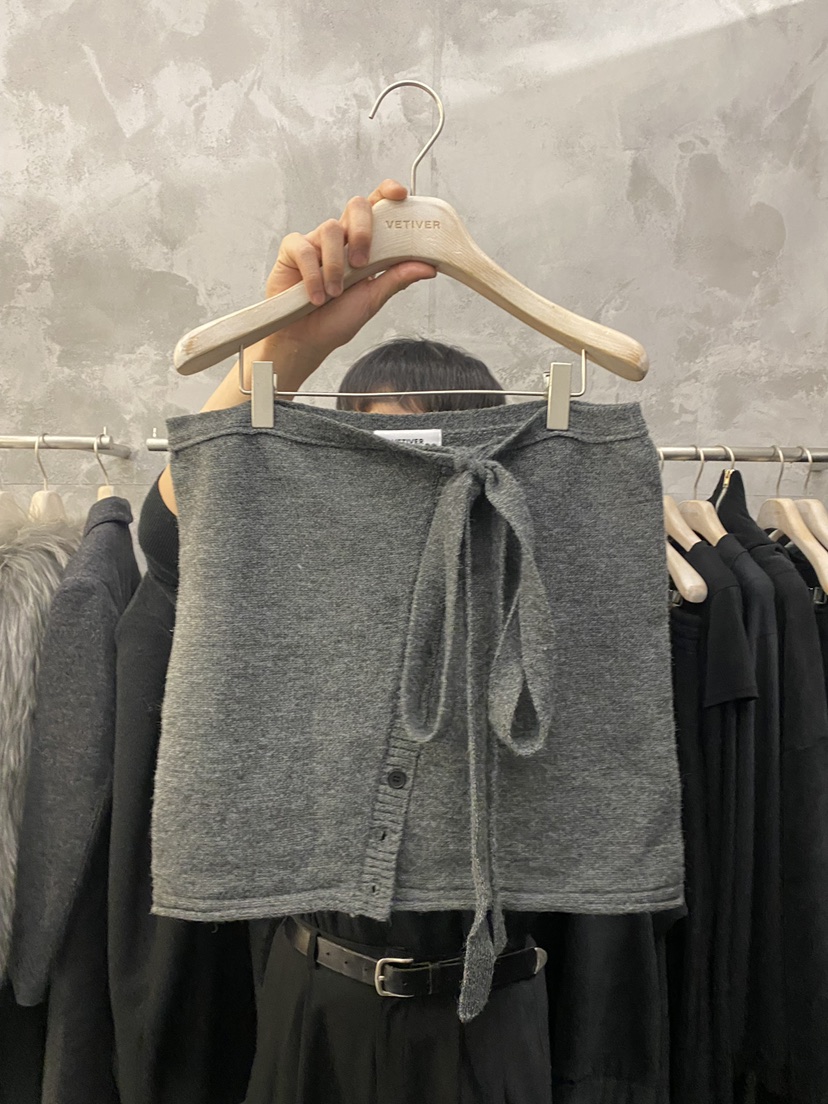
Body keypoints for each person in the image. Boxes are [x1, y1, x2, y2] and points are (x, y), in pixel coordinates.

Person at [152, 178, 552, 1104]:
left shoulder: (529, 564)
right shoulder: (293, 559)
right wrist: (286, 352)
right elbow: (172, 529)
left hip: (499, 1009)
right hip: (318, 1001)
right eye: (381, 458)